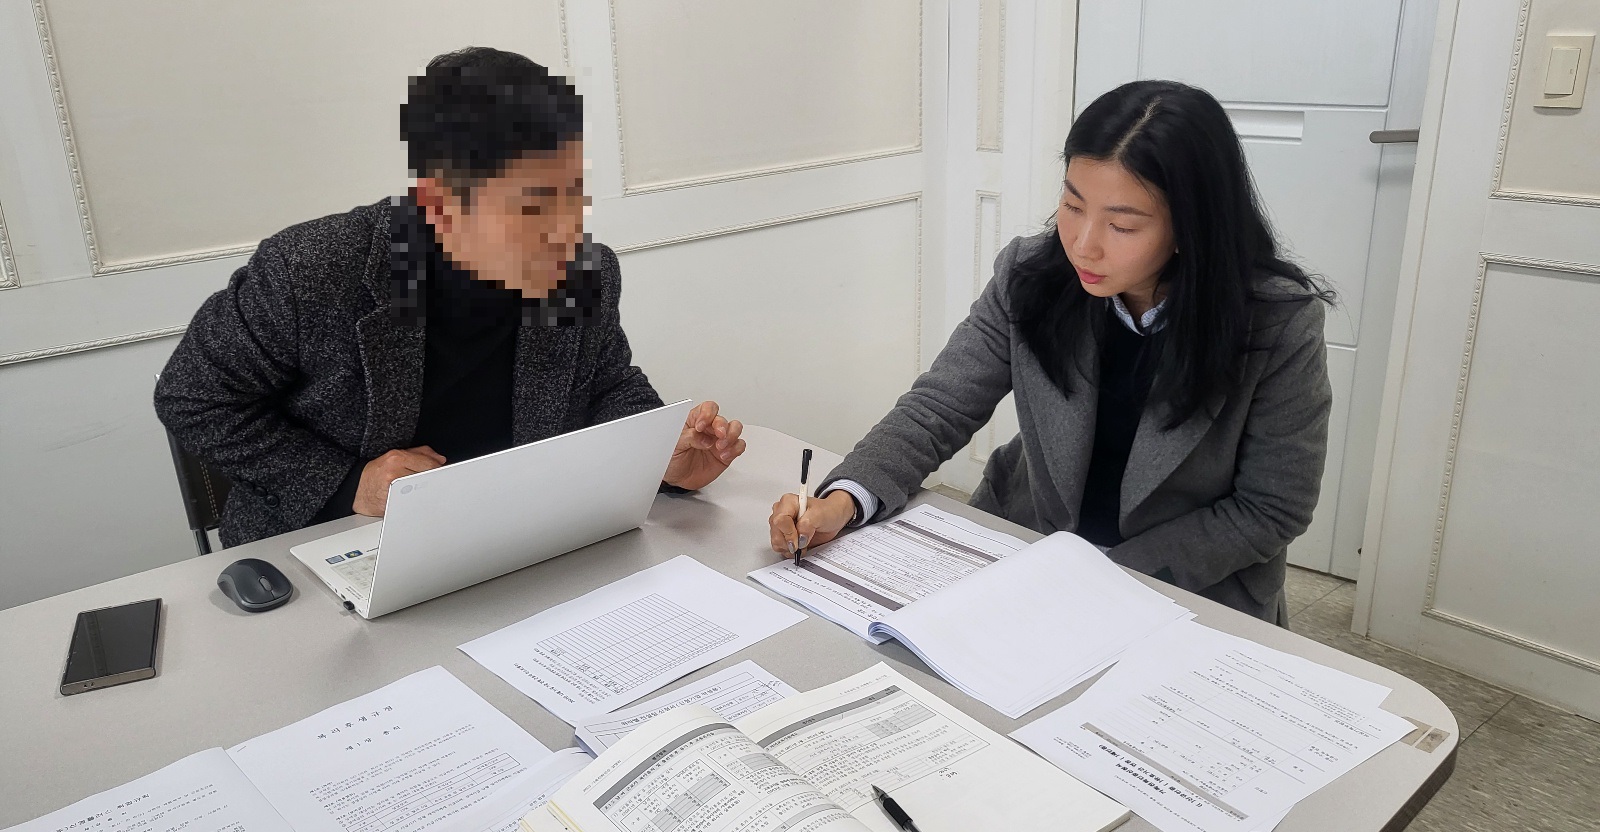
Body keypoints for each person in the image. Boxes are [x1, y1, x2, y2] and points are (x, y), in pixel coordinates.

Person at [768, 80, 1333, 625]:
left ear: (1191, 226)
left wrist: (1100, 578)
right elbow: (938, 408)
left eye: (1122, 225)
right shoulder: (1030, 277)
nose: (1083, 244)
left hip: (1182, 585)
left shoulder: (1275, 321)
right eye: (1072, 205)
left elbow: (1270, 508)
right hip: (1024, 545)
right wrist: (843, 500)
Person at [156, 47, 745, 547]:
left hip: (513, 536)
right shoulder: (313, 271)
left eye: (574, 194)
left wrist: (661, 457)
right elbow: (192, 398)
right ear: (437, 205)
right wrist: (349, 484)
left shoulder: (584, 272)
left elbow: (605, 386)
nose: (568, 231)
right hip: (337, 545)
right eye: (534, 207)